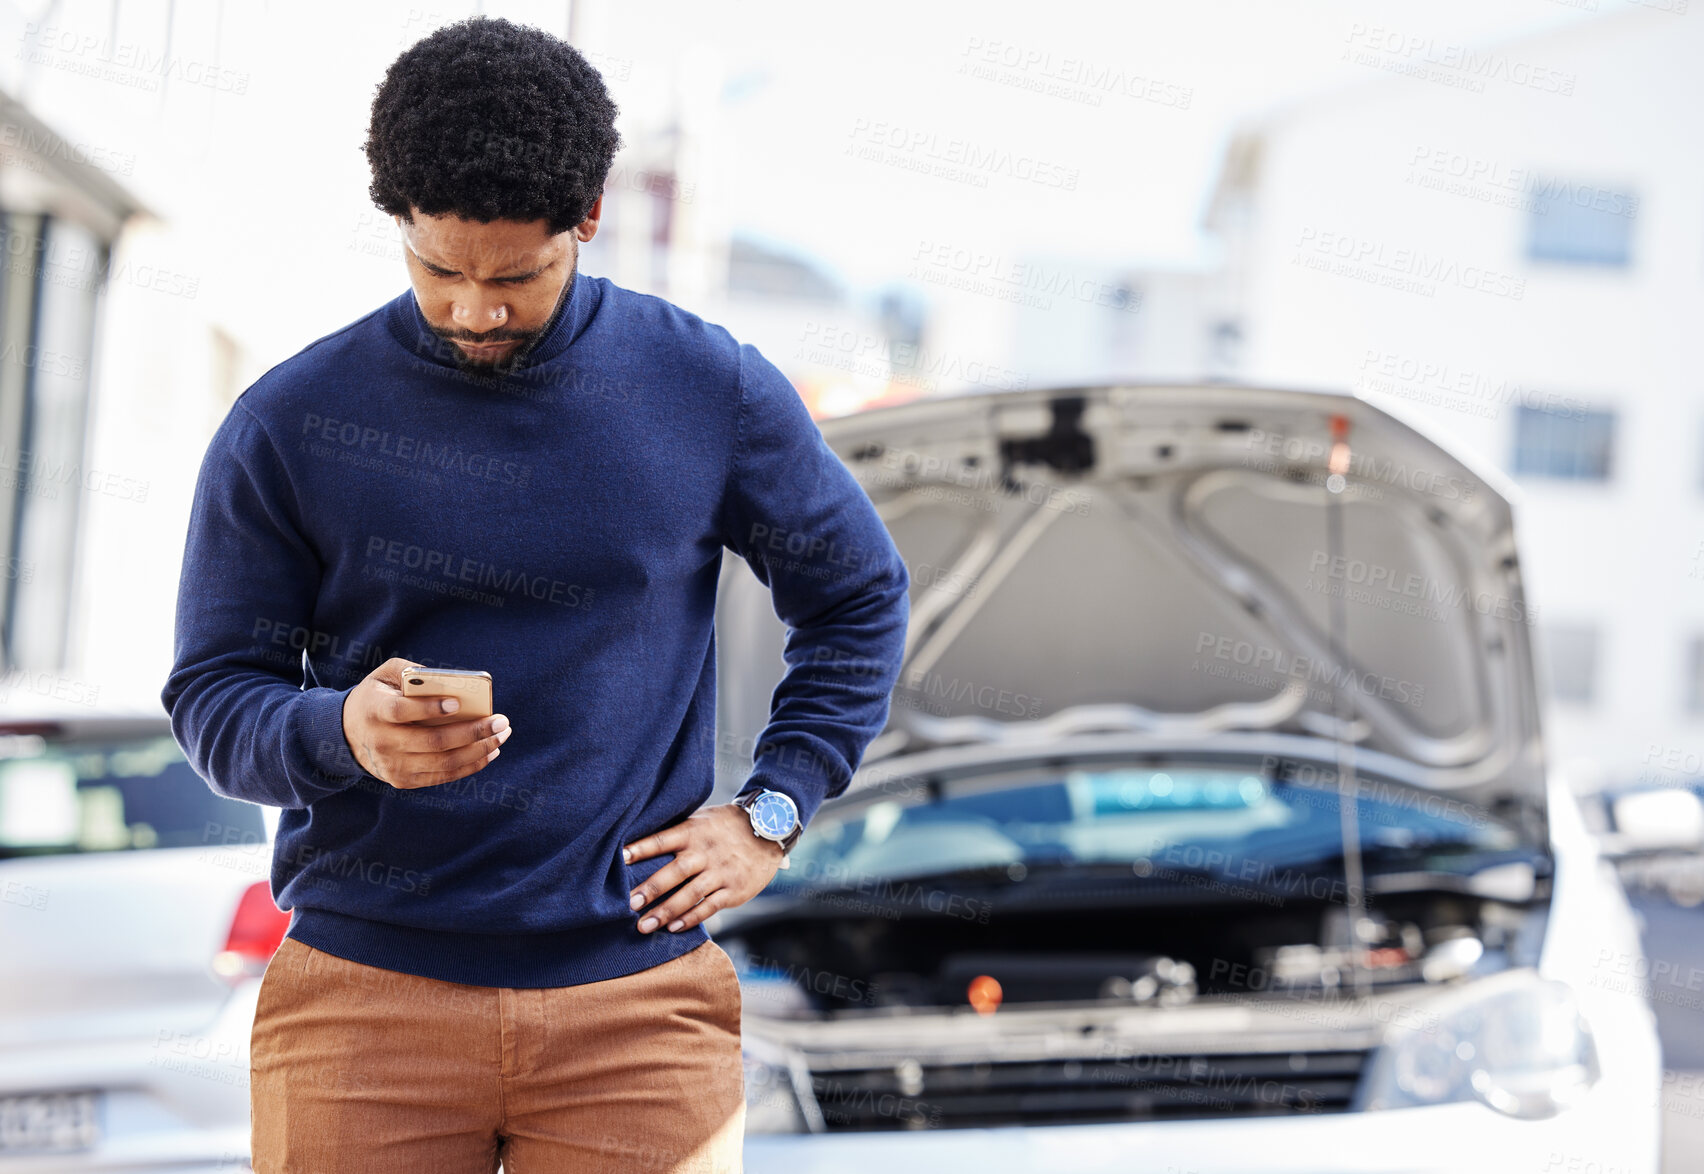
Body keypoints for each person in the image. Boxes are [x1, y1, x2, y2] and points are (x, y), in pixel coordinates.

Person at [159, 16, 909, 1173]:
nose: (474, 310)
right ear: (398, 221)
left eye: (518, 275)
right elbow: (214, 698)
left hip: (638, 1006)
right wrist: (339, 729)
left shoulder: (708, 388)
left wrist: (774, 811)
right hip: (363, 1008)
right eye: (438, 269)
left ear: (588, 218)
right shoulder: (289, 423)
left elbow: (858, 596)